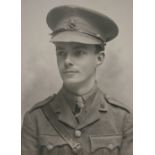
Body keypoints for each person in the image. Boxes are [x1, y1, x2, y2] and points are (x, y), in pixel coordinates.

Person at [22, 5, 132, 155]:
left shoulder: (122, 119)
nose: (67, 60)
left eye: (78, 52)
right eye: (61, 52)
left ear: (99, 59)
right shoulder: (35, 119)